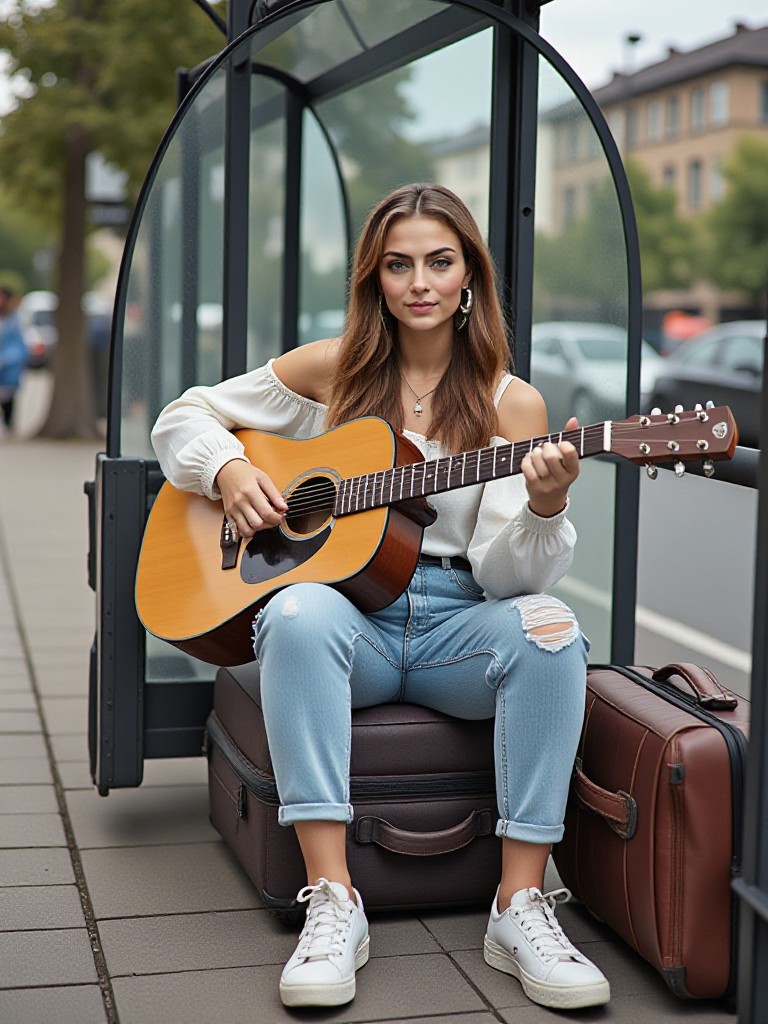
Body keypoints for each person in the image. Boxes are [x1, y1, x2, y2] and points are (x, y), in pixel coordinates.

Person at [151, 183, 610, 1012]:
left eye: (440, 261)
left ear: (471, 275)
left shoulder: (515, 405)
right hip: (346, 619)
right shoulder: (332, 369)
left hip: (457, 626)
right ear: (374, 279)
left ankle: (519, 906)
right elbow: (183, 415)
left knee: (551, 626)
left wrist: (545, 505)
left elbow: (510, 580)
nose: (420, 282)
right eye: (399, 265)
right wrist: (228, 469)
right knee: (290, 611)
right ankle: (334, 901)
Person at [0, 283, 29, 435]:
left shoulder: (14, 319)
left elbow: (19, 344)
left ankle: (8, 425)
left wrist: (6, 358)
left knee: (7, 398)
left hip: (8, 366)